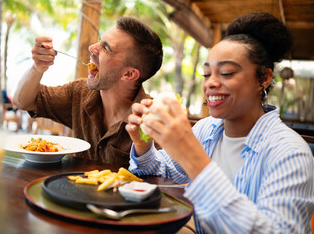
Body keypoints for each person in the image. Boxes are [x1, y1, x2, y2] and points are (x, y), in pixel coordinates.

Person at [125, 12, 314, 233]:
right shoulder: (207, 130)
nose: (211, 83)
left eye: (226, 72)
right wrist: (142, 143)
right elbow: (160, 171)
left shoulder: (290, 153)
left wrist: (191, 155)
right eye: (206, 74)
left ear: (264, 78)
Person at [13, 17, 163, 167]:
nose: (92, 47)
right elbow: (23, 101)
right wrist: (37, 67)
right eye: (99, 40)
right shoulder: (78, 93)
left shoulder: (153, 120)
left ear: (128, 74)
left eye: (106, 48)